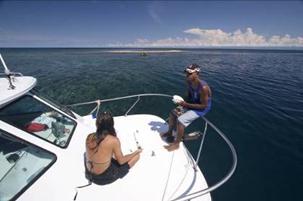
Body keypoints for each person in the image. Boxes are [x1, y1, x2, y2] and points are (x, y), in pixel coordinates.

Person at [162, 63, 212, 151]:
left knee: (181, 120)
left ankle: (176, 144)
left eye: (190, 73)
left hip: (202, 108)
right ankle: (169, 132)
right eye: (187, 73)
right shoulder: (189, 82)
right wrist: (182, 103)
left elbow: (204, 105)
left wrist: (185, 105)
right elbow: (189, 96)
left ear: (197, 73)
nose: (187, 75)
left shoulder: (203, 88)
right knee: (173, 112)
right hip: (192, 103)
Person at [85, 111, 142, 185]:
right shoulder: (113, 140)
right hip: (102, 178)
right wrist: (136, 152)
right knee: (137, 157)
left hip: (89, 173)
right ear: (111, 124)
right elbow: (121, 161)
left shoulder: (90, 136)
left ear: (97, 124)